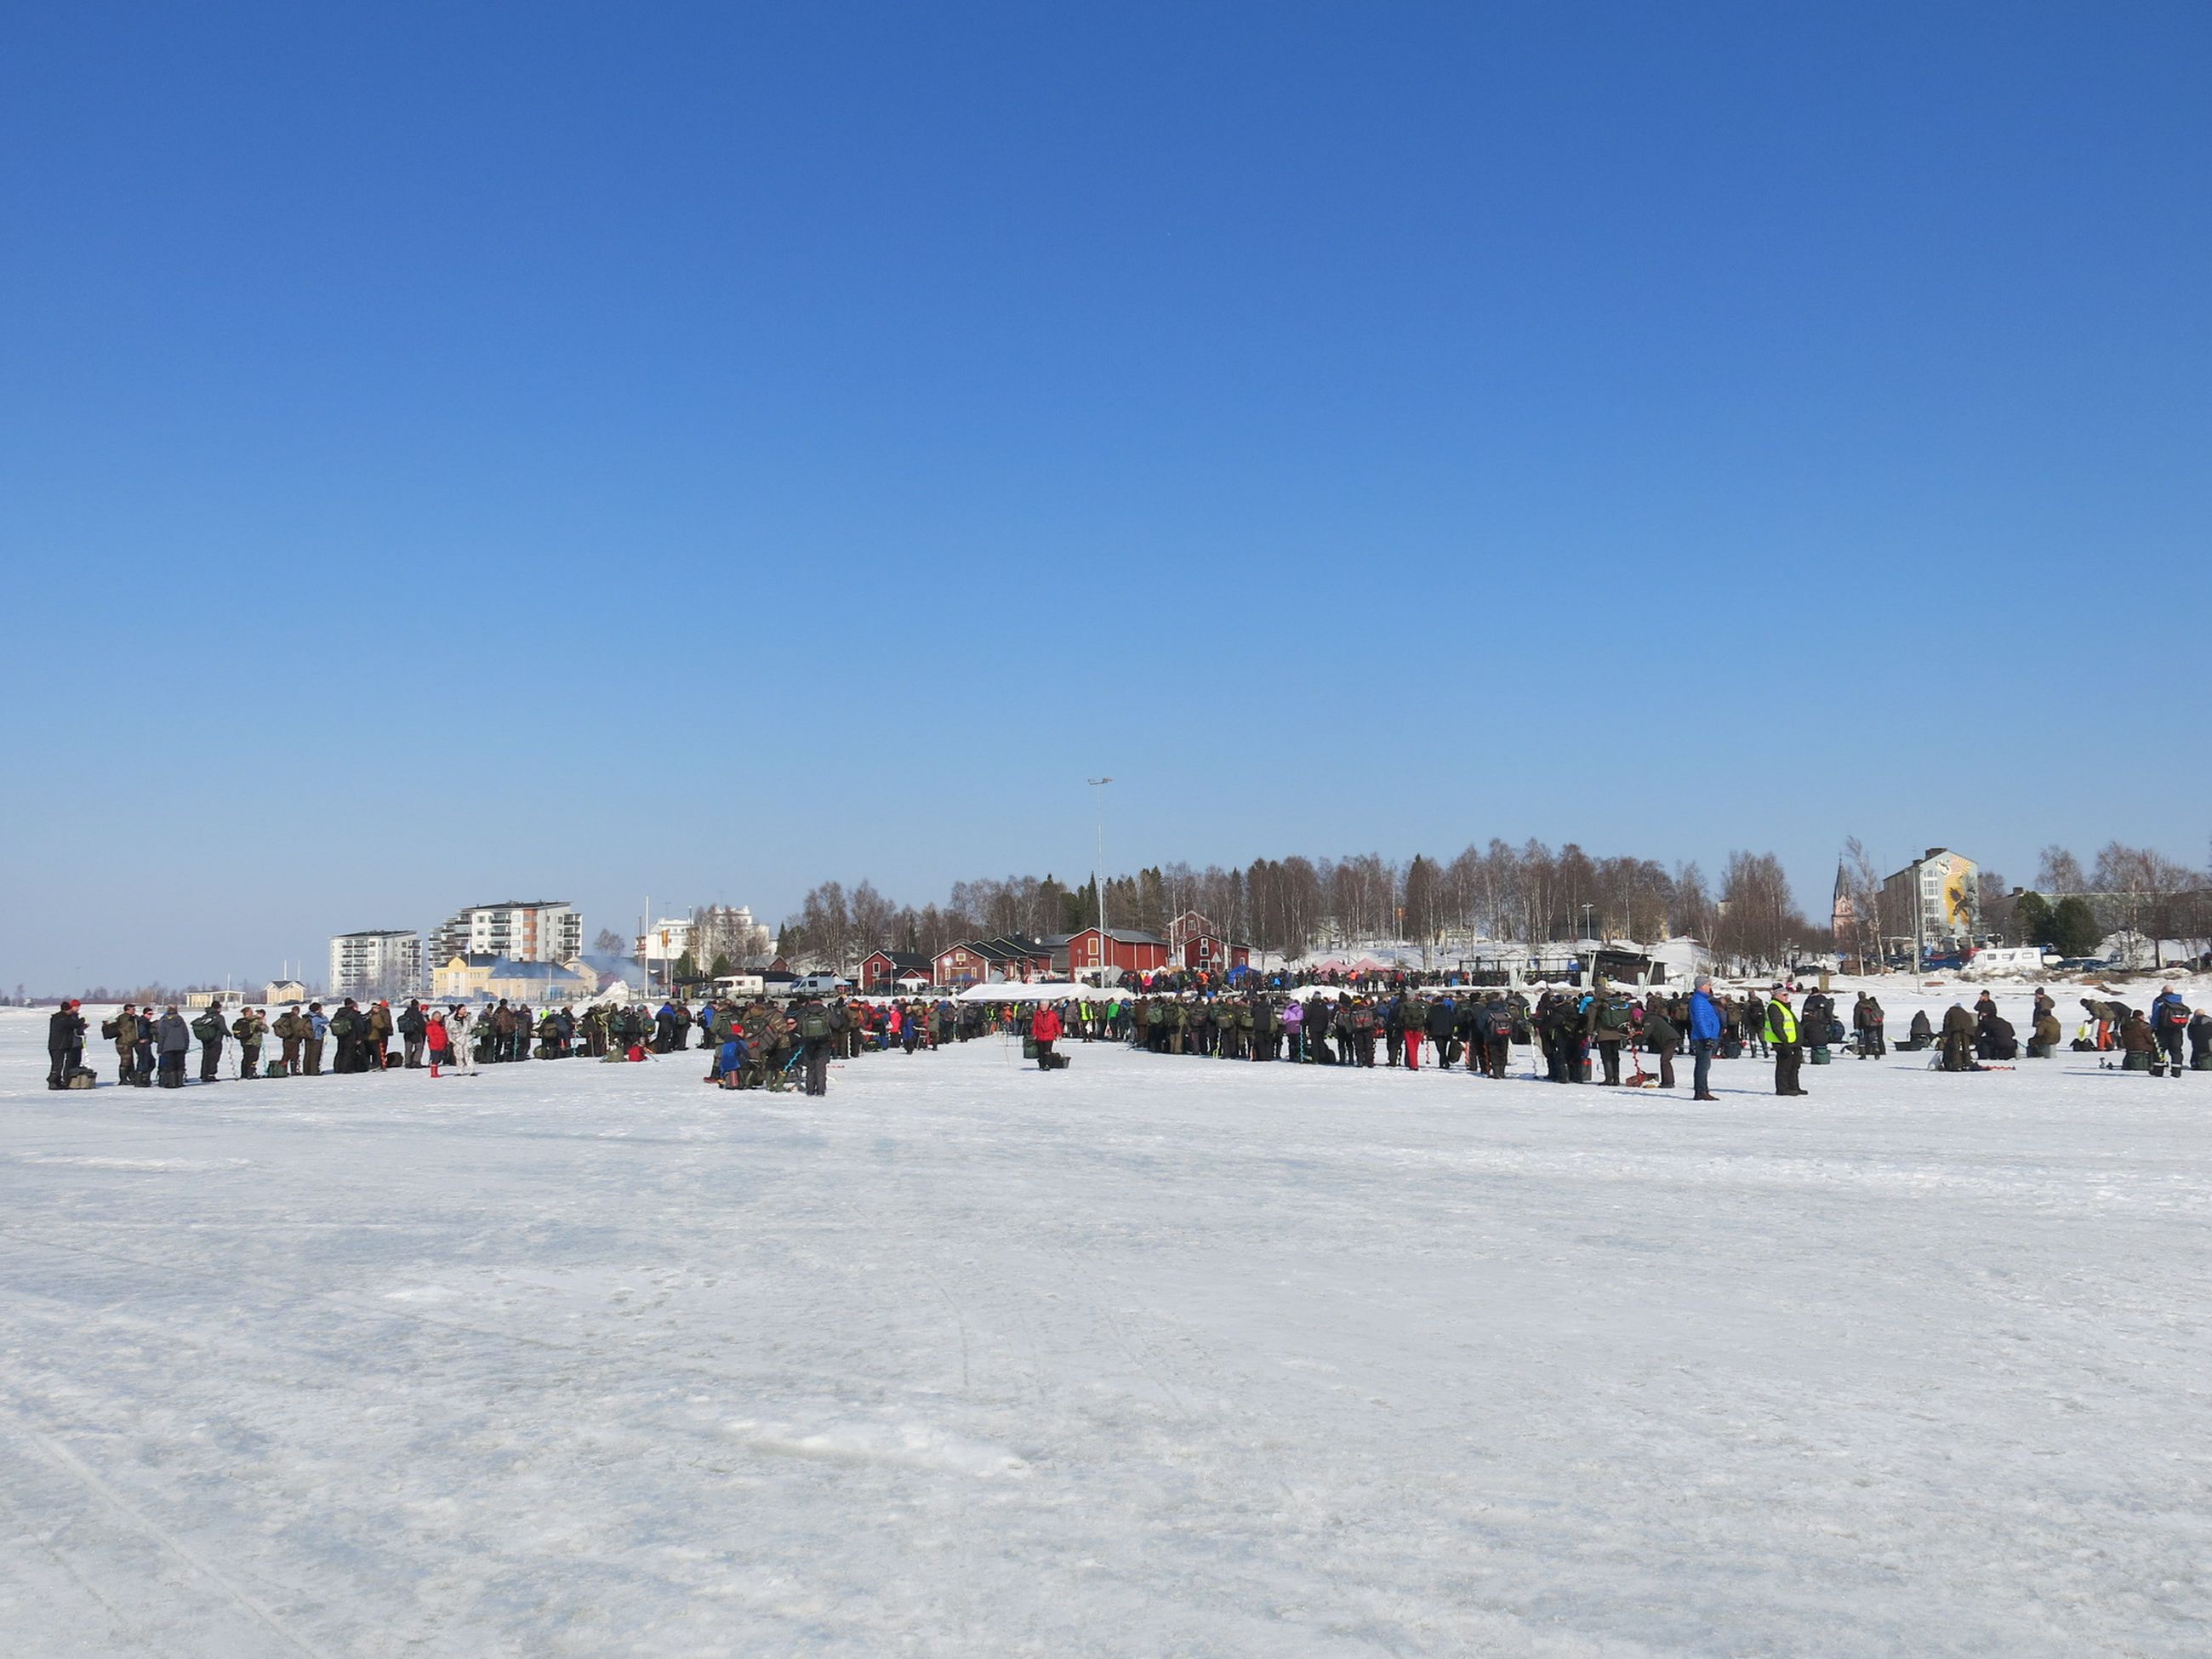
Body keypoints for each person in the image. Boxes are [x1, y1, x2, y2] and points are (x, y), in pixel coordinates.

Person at [1687, 975, 1723, 1099]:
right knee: (1703, 1065)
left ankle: (1703, 1090)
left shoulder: (1703, 1000)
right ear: (1701, 986)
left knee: (1705, 1065)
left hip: (1707, 1036)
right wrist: (1706, 1037)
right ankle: (1700, 1091)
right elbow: (1700, 1020)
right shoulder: (1698, 1001)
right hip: (1702, 1037)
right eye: (1708, 985)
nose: (1710, 987)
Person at [1766, 985, 1804, 1096]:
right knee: (1784, 1066)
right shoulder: (1774, 1006)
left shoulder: (1783, 1006)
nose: (1787, 997)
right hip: (1783, 1042)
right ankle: (1783, 1088)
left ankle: (1794, 1086)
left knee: (1794, 1065)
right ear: (1776, 996)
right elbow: (1777, 1026)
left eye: (1787, 994)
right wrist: (1784, 1041)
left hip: (1793, 1041)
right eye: (1784, 995)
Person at [2148, 985, 2190, 1073]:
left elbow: (2156, 1014)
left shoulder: (2159, 1000)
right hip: (2177, 1028)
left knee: (2160, 1049)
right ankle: (2177, 1070)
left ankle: (2158, 1070)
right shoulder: (2178, 1000)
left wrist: (2153, 1026)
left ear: (2163, 991)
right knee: (2176, 1049)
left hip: (2163, 1028)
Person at [46, 1000, 86, 1089]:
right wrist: (82, 1020)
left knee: (57, 1064)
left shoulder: (58, 1017)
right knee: (57, 1065)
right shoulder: (63, 1018)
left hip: (57, 1045)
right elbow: (74, 1024)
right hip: (58, 1046)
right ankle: (53, 1082)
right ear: (66, 1010)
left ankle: (57, 1082)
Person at [192, 1001, 230, 1080]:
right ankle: (211, 1074)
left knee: (206, 1057)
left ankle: (204, 1074)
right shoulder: (219, 1017)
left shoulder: (205, 1016)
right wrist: (229, 1034)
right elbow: (223, 1028)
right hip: (216, 1040)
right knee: (214, 1057)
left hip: (206, 1040)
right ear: (218, 1008)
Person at [155, 1006, 191, 1087]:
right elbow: (186, 1034)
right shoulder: (181, 1021)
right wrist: (186, 1046)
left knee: (170, 1065)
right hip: (181, 1047)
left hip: (168, 1047)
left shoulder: (164, 1022)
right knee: (180, 1064)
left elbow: (162, 1037)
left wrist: (160, 1049)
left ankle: (172, 1083)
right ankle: (180, 1082)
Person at [1940, 1002, 1978, 1072]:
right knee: (1966, 1048)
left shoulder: (1950, 1012)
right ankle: (1967, 1064)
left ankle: (1957, 1065)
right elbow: (1971, 1022)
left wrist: (1945, 1034)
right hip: (1967, 1032)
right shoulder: (1965, 1012)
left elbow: (1946, 1023)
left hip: (1956, 1031)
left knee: (1956, 1048)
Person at [232, 1006, 268, 1079]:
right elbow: (265, 1030)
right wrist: (263, 1023)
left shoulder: (241, 1021)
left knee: (246, 1057)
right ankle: (251, 1073)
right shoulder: (256, 1021)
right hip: (254, 1041)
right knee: (253, 1058)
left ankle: (244, 1073)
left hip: (245, 1041)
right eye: (251, 1011)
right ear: (248, 1012)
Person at [1032, 1001, 1063, 1069]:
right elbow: (1035, 1025)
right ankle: (1042, 1064)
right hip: (1040, 1035)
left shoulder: (1052, 1014)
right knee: (1041, 1051)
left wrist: (1059, 1033)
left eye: (1043, 1005)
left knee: (1048, 1051)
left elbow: (1056, 1025)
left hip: (1049, 1036)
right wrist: (1034, 1034)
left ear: (1047, 1006)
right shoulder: (1037, 1014)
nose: (1042, 1007)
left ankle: (1047, 1064)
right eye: (1041, 1005)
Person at [398, 1000, 428, 1068]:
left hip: (407, 1033)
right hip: (416, 1033)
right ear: (417, 1005)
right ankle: (416, 1061)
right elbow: (421, 1024)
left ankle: (407, 1062)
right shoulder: (417, 1013)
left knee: (408, 1048)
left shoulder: (407, 1012)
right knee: (419, 1047)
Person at [304, 1003, 328, 1075]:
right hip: (316, 1037)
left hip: (308, 1037)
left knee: (308, 1054)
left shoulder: (307, 1016)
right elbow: (326, 1021)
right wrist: (322, 1015)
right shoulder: (317, 1018)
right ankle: (314, 1071)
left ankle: (307, 1070)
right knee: (316, 1054)